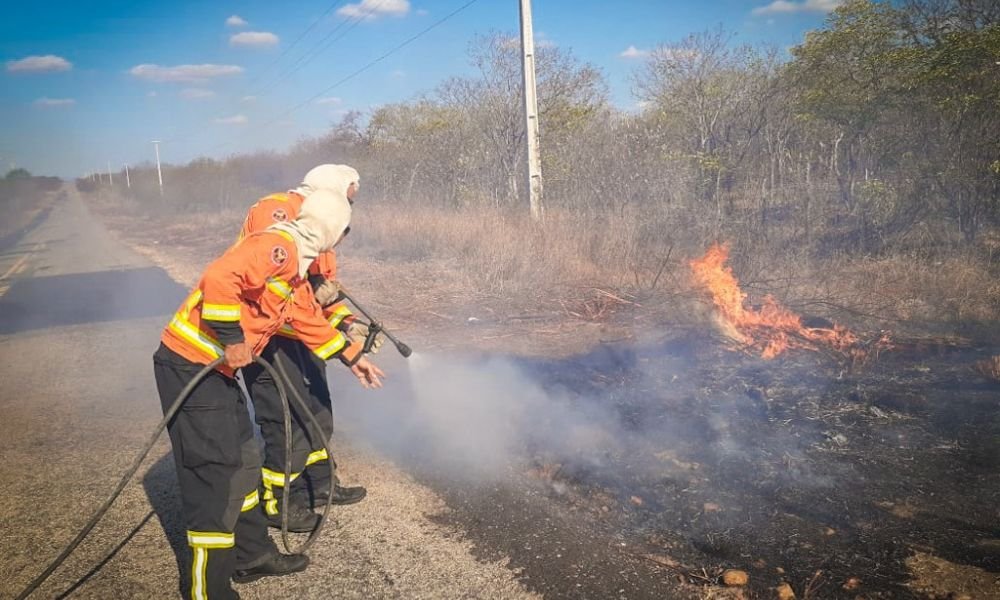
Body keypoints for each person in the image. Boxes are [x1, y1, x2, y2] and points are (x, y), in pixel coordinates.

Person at [152, 188, 384, 599]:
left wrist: (352, 357)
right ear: (331, 229)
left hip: (219, 372)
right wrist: (230, 336)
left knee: (243, 462)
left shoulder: (296, 266)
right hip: (191, 368)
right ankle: (208, 592)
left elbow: (305, 318)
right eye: (342, 232)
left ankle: (251, 555)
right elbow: (219, 278)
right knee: (214, 479)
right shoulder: (279, 247)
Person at [238, 165, 376, 534]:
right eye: (348, 197)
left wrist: (347, 324)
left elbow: (321, 290)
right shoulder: (277, 211)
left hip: (305, 332)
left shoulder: (325, 222)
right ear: (329, 189)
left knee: (317, 409)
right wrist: (344, 349)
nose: (349, 207)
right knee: (287, 418)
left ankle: (320, 484)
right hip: (270, 336)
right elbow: (277, 283)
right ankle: (282, 503)